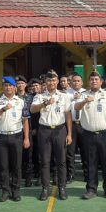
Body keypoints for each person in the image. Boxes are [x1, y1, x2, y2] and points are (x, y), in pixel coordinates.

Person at [74, 71, 106, 199]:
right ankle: (91, 189)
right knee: (91, 163)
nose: (94, 81)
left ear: (101, 82)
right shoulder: (83, 95)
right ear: (88, 82)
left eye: (96, 79)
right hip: (88, 134)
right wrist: (85, 101)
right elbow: (76, 107)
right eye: (92, 79)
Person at [31, 70, 73, 201]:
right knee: (44, 161)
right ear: (45, 82)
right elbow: (32, 109)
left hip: (60, 130)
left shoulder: (64, 96)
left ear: (57, 81)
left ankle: (62, 188)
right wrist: (44, 103)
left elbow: (68, 115)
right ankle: (45, 188)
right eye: (49, 80)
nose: (51, 83)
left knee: (61, 161)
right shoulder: (39, 96)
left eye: (54, 80)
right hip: (44, 130)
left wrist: (69, 134)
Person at [0, 76, 30, 202]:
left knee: (16, 166)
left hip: (16, 136)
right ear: (3, 87)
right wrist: (3, 109)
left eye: (10, 85)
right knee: (3, 166)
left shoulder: (21, 101)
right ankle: (5, 191)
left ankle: (16, 191)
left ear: (14, 87)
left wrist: (26, 138)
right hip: (1, 136)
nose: (8, 88)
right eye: (6, 85)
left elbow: (25, 121)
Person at [66, 73, 86, 183]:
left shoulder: (86, 93)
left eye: (78, 81)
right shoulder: (66, 94)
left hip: (84, 124)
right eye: (74, 81)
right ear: (70, 83)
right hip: (71, 124)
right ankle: (70, 174)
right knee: (70, 151)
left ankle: (87, 173)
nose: (76, 83)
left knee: (85, 150)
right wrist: (73, 99)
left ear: (82, 83)